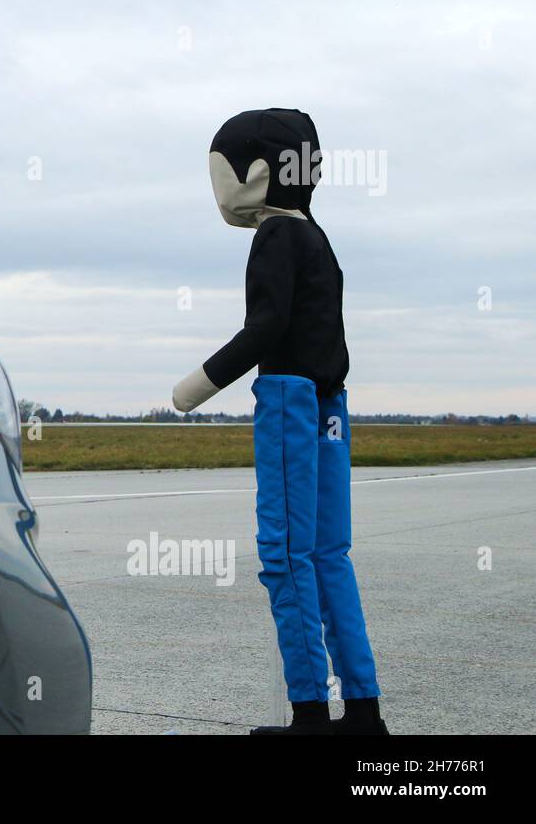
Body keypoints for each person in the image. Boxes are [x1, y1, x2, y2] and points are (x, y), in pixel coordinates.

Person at [172, 108, 387, 735]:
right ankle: (363, 710)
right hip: (330, 406)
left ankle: (310, 714)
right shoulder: (318, 238)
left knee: (285, 556)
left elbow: (265, 327)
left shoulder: (276, 237)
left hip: (290, 402)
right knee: (328, 554)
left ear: (258, 172)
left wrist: (196, 386)